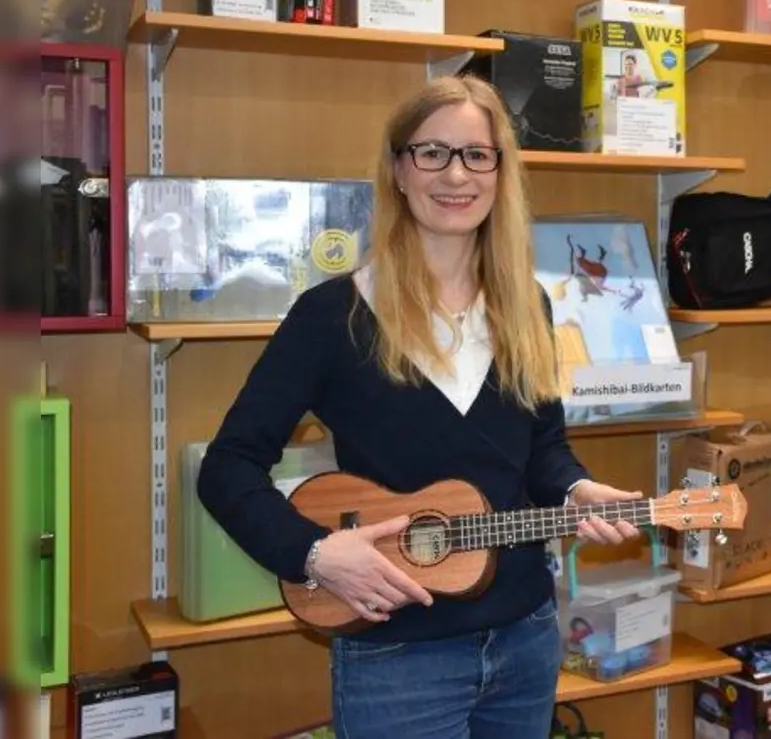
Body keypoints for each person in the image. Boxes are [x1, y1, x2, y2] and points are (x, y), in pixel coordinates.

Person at [196, 75, 644, 739]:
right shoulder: (334, 316)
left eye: (476, 154)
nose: (455, 174)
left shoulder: (529, 309)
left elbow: (543, 449)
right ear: (399, 171)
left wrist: (576, 490)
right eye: (431, 152)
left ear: (499, 172)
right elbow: (227, 467)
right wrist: (314, 554)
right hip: (395, 658)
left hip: (526, 639)